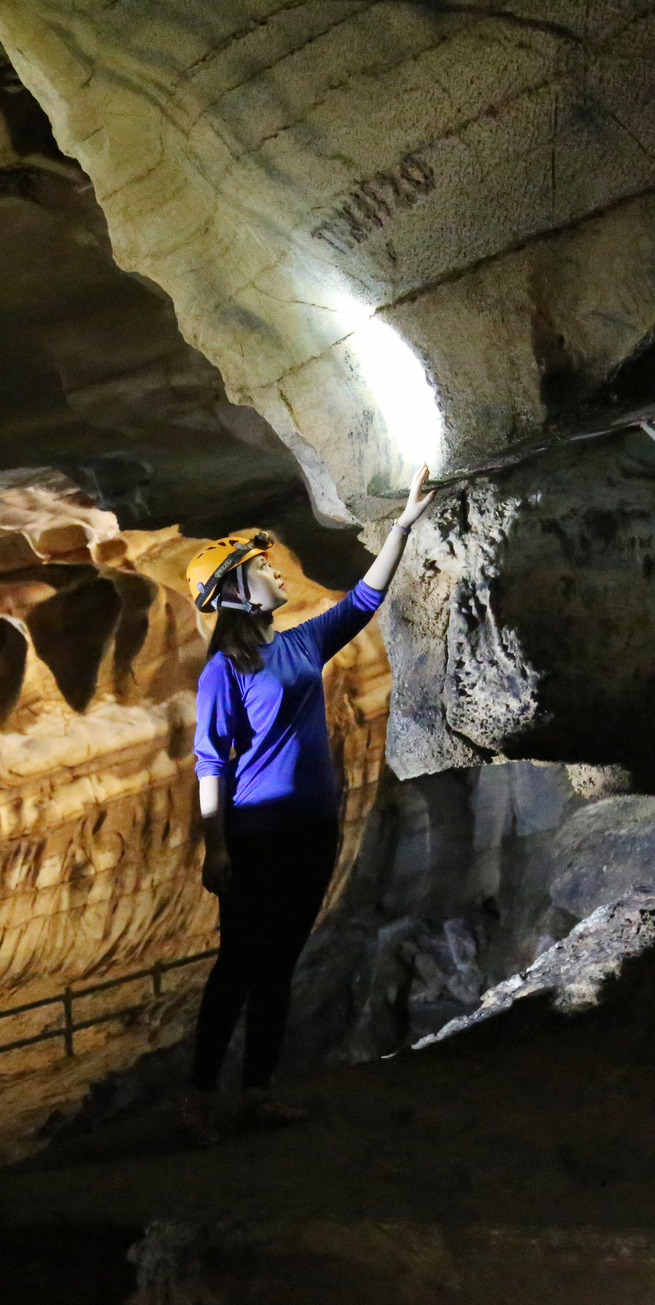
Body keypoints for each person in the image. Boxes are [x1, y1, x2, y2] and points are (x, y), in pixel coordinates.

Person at [179, 465, 435, 1145]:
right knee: (240, 962)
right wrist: (217, 846)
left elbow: (362, 601)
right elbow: (211, 761)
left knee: (280, 962)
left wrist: (403, 525)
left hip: (312, 830)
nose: (278, 575)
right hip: (258, 836)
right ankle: (203, 1098)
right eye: (262, 569)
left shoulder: (296, 646)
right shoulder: (223, 672)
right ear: (236, 589)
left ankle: (256, 1091)